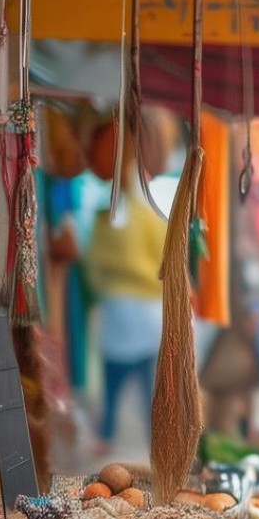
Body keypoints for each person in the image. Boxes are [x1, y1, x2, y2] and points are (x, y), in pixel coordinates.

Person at [83, 121, 167, 456]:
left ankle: (107, 435)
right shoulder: (151, 219)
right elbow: (164, 265)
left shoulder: (106, 218)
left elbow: (93, 264)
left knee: (114, 378)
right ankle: (155, 441)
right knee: (148, 382)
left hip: (119, 306)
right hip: (143, 308)